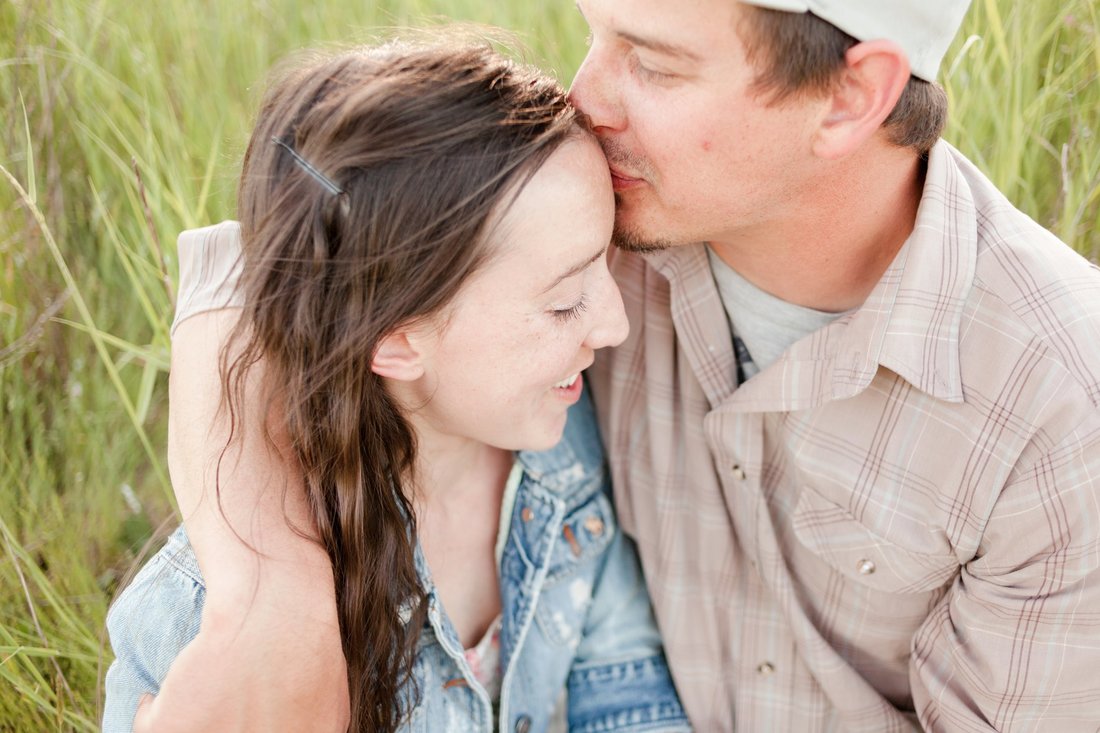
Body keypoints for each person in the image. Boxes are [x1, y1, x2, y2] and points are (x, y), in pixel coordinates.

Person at [145, 1, 1100, 731]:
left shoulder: (1057, 409)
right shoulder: (597, 216)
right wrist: (271, 592)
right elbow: (287, 266)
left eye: (652, 61)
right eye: (596, 31)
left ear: (852, 96)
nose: (585, 95)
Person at [102, 41, 691, 733]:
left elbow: (622, 686)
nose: (614, 326)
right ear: (396, 339)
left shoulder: (560, 453)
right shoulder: (213, 624)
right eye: (563, 302)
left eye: (605, 269)